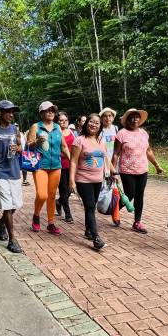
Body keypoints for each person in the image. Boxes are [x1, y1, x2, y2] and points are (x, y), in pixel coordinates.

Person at [69, 114, 117, 251]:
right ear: (86, 124)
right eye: (91, 122)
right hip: (83, 179)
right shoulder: (79, 140)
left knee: (91, 206)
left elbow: (106, 158)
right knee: (90, 206)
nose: (93, 125)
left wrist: (114, 173)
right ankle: (96, 238)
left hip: (98, 180)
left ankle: (88, 231)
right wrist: (71, 180)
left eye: (97, 123)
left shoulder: (101, 140)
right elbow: (73, 161)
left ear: (100, 126)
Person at [112, 108, 164, 233]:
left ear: (139, 119)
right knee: (129, 194)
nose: (134, 119)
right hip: (127, 170)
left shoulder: (144, 133)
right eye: (131, 117)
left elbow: (148, 151)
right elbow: (116, 153)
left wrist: (156, 165)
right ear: (127, 120)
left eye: (136, 117)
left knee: (139, 196)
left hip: (142, 169)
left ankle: (137, 222)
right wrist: (113, 171)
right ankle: (115, 210)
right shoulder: (121, 134)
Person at [0, 100, 24, 253]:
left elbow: (20, 147)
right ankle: (12, 240)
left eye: (12, 112)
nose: (11, 114)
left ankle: (0, 224)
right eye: (8, 111)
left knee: (15, 205)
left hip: (14, 171)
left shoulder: (15, 129)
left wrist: (18, 148)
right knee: (7, 206)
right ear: (0, 112)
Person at [27, 101, 71, 235]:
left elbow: (64, 147)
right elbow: (28, 146)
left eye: (53, 110)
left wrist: (73, 162)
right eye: (48, 110)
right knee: (42, 195)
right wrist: (36, 142)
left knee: (52, 195)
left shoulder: (57, 127)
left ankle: (51, 223)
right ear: (41, 113)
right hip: (40, 165)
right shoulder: (36, 126)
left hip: (56, 166)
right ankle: (36, 215)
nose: (51, 112)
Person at [55, 111, 75, 223]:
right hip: (59, 164)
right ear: (57, 122)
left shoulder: (71, 132)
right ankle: (68, 214)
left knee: (69, 189)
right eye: (61, 120)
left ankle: (59, 202)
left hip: (71, 163)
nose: (64, 122)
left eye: (65, 120)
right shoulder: (55, 132)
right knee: (63, 189)